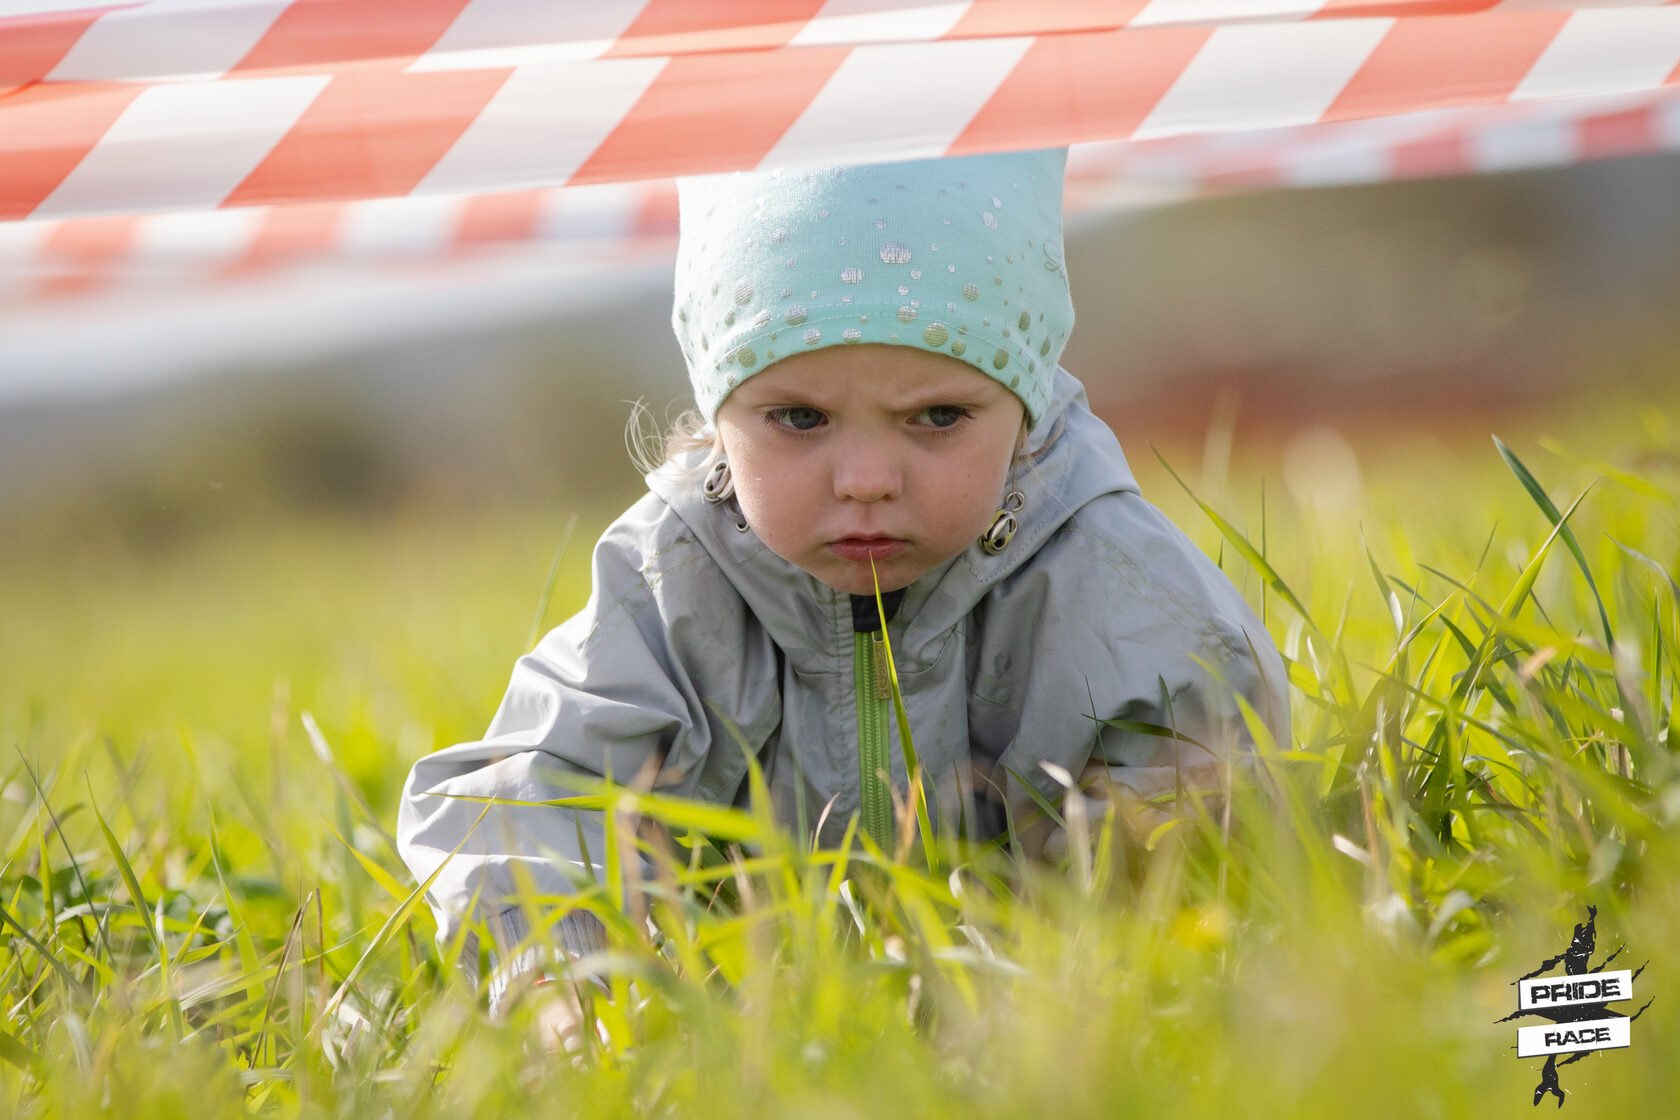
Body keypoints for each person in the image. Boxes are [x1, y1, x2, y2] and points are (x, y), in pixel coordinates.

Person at [397, 148, 1288, 1035]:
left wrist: (1082, 985)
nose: (865, 478)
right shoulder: (674, 575)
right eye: (799, 419)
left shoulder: (1106, 571)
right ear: (719, 413)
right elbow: (531, 793)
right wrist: (558, 973)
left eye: (937, 417)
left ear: (1023, 404)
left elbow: (1203, 791)